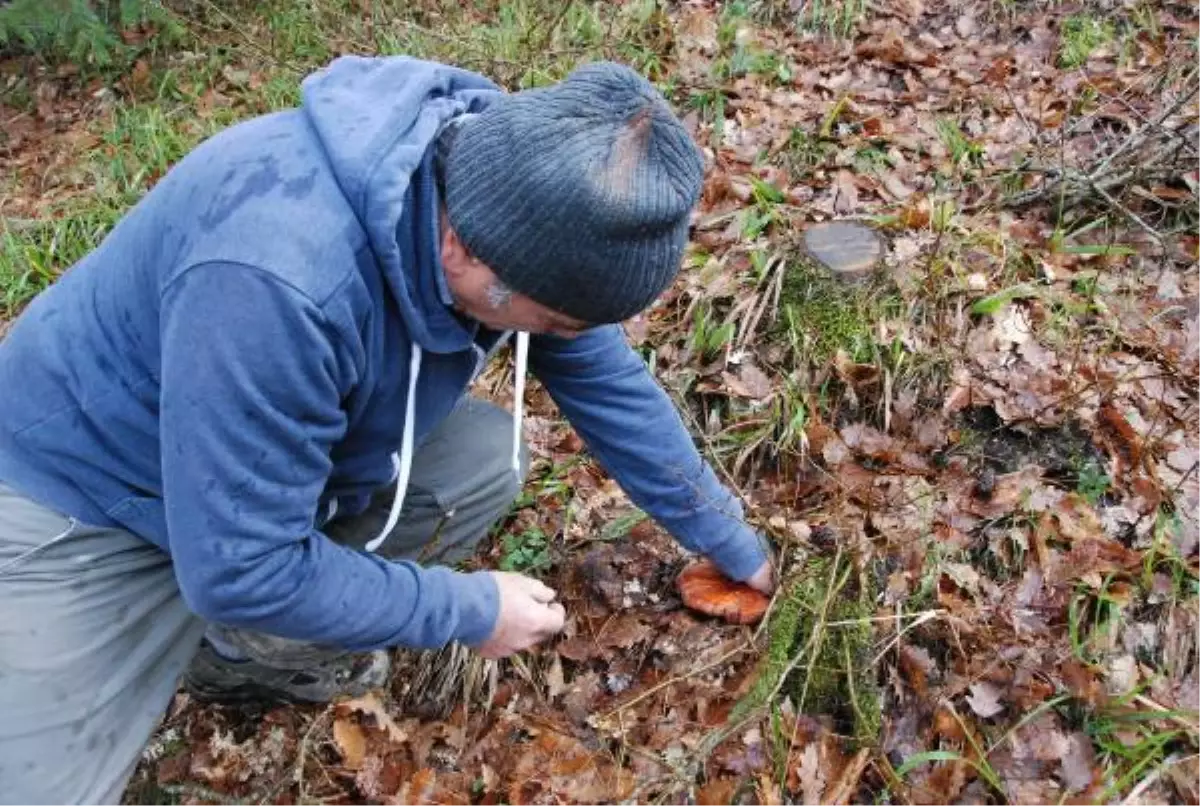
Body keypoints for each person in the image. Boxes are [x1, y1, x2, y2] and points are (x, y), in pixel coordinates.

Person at [0, 56, 775, 803]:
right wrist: (466, 611)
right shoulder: (277, 281)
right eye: (556, 322)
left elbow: (603, 378)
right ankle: (226, 621)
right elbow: (239, 566)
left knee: (477, 461)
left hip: (247, 467)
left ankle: (244, 656)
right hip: (82, 495)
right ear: (462, 252)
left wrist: (726, 536)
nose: (569, 337)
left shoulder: (509, 197)